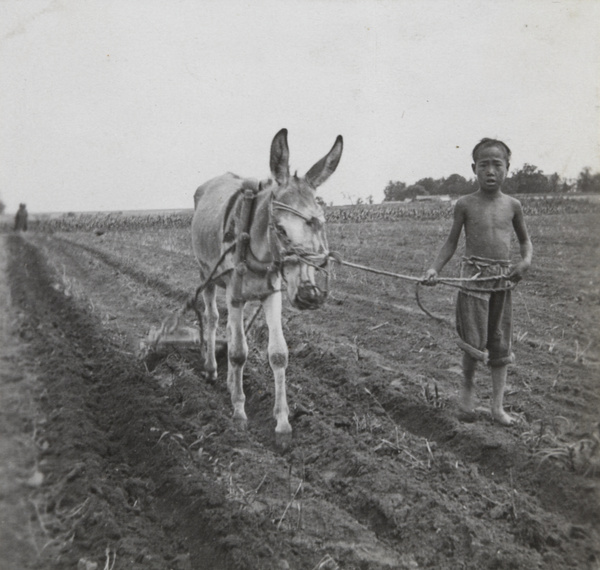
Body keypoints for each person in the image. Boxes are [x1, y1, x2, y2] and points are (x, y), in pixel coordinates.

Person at [423, 138, 533, 426]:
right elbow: (450, 243)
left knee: (499, 342)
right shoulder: (465, 204)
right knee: (473, 341)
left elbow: (525, 242)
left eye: (497, 165)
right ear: (474, 168)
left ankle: (497, 407)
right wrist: (434, 269)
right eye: (484, 165)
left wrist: (525, 262)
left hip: (502, 280)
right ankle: (468, 391)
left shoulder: (513, 205)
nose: (491, 171)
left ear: (508, 168)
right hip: (473, 279)